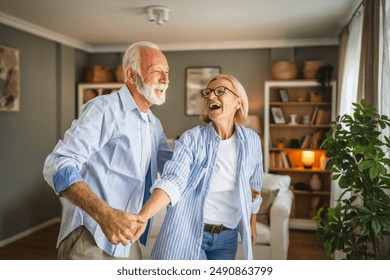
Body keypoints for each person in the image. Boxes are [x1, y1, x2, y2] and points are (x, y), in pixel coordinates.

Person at [43, 41, 172, 260]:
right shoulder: (104, 109)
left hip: (128, 239)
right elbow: (58, 164)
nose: (166, 80)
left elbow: (172, 167)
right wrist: (105, 215)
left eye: (167, 73)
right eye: (156, 71)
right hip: (91, 237)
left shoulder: (153, 123)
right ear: (132, 76)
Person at [135, 74, 263, 260]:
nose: (211, 96)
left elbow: (255, 185)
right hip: (190, 232)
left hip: (228, 236)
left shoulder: (251, 140)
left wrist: (252, 223)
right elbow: (173, 180)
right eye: (208, 93)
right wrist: (143, 217)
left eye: (220, 91)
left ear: (238, 102)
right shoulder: (192, 139)